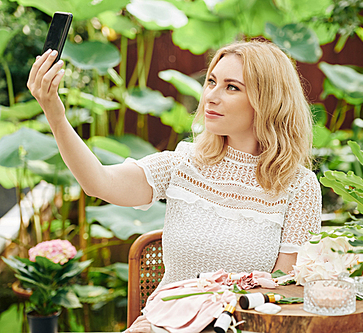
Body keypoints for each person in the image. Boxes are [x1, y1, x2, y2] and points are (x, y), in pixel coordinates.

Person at [28, 40, 322, 331]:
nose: (210, 96)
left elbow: (288, 290)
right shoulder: (184, 163)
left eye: (232, 87)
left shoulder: (299, 187)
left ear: (268, 100)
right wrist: (56, 114)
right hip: (162, 325)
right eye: (211, 82)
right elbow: (99, 182)